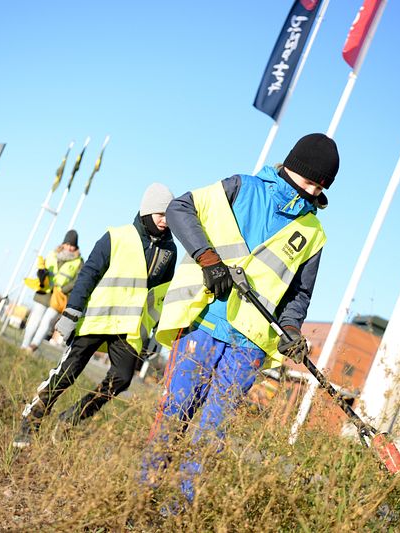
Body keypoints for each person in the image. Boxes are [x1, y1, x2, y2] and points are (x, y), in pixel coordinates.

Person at [141, 133, 340, 504]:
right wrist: (207, 257)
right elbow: (180, 208)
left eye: (322, 186)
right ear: (293, 168)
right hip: (202, 322)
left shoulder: (314, 233)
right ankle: (144, 496)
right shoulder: (241, 187)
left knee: (211, 433)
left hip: (249, 343)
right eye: (311, 181)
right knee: (174, 414)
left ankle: (178, 511)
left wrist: (292, 329)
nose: (315, 191)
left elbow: (299, 295)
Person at [13, 183, 177, 448]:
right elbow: (89, 273)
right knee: (67, 372)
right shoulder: (117, 236)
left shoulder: (170, 252)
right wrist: (71, 312)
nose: (165, 220)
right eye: (160, 214)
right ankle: (31, 422)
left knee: (122, 379)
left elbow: (158, 297)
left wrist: (149, 337)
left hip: (130, 329)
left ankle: (71, 418)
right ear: (147, 211)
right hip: (97, 318)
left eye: (169, 215)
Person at [20, 230, 83, 353]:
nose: (70, 248)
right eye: (68, 244)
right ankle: (24, 345)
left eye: (73, 246)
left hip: (60, 296)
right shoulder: (52, 254)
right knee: (34, 319)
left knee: (47, 321)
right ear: (63, 243)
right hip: (44, 291)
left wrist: (64, 290)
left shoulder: (79, 262)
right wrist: (41, 274)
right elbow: (42, 267)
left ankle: (32, 347)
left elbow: (78, 280)